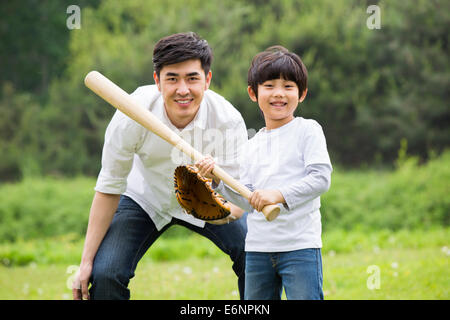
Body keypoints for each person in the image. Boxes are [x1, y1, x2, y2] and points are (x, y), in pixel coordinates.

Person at [72, 32, 248, 300]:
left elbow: (238, 201)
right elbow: (109, 186)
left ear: (207, 80)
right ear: (157, 81)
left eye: (192, 78)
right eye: (172, 79)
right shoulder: (131, 112)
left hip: (210, 201)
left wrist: (215, 206)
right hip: (144, 198)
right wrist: (86, 262)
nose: (182, 89)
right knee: (106, 274)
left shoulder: (228, 121)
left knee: (256, 255)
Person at [196, 45, 332, 300]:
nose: (278, 93)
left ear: (301, 94)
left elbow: (321, 179)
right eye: (269, 85)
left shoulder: (308, 130)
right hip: (258, 249)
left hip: (300, 247)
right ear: (253, 92)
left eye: (288, 86)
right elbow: (247, 200)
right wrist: (218, 182)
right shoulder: (251, 144)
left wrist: (278, 195)